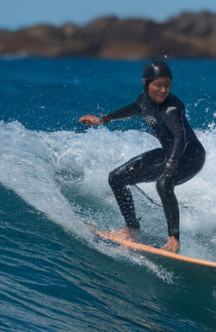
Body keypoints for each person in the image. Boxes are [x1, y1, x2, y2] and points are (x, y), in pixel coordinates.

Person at [79, 61, 206, 254]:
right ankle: (132, 228)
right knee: (116, 177)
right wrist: (103, 119)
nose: (163, 90)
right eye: (158, 85)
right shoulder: (143, 100)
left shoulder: (172, 108)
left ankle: (174, 240)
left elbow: (180, 136)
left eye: (167, 85)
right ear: (145, 84)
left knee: (164, 183)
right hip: (168, 153)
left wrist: (170, 166)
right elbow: (134, 108)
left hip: (191, 158)